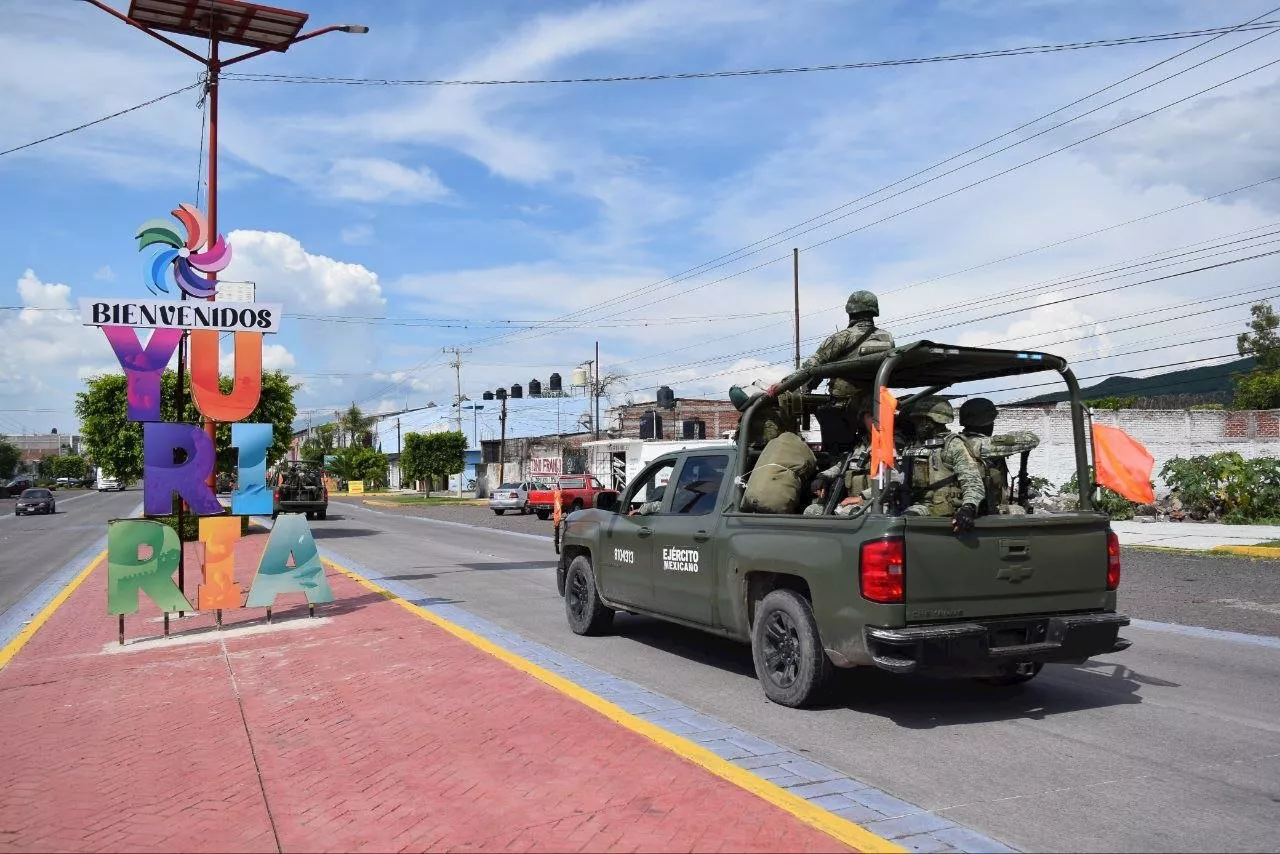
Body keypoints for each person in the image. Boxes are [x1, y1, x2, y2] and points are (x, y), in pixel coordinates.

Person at [782, 290, 894, 415]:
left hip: (843, 408)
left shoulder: (841, 338)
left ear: (850, 311)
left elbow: (810, 367)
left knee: (824, 414)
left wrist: (783, 384)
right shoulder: (887, 337)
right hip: (877, 404)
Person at [901, 397, 984, 533]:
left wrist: (968, 508)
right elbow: (896, 478)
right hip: (913, 504)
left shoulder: (952, 444)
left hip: (939, 509)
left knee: (905, 521)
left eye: (923, 420)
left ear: (936, 420)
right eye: (917, 420)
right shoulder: (911, 446)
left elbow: (972, 480)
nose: (918, 424)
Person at [958, 398, 1040, 514]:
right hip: (986, 511)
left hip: (965, 507)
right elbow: (1032, 439)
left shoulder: (956, 443)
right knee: (1020, 511)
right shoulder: (984, 445)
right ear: (988, 423)